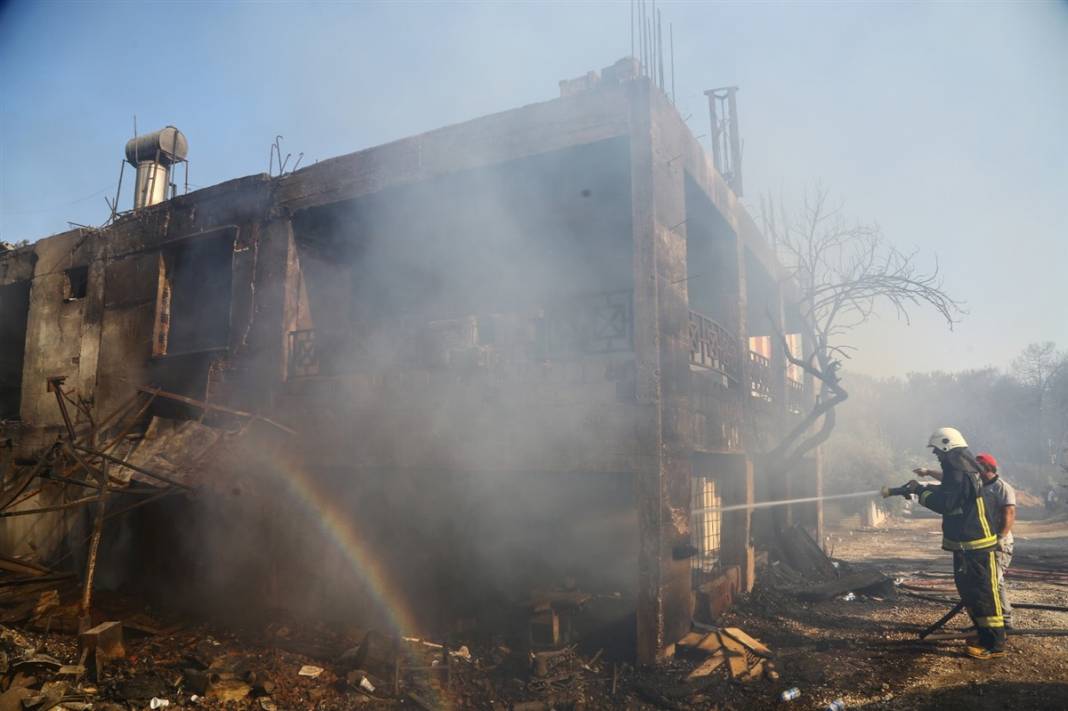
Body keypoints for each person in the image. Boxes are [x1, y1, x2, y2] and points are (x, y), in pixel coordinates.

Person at [906, 427, 1005, 659]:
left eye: (938, 451)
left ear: (947, 445)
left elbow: (946, 503)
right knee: (970, 591)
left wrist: (919, 491)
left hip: (976, 544)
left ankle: (994, 644)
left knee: (983, 594)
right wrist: (923, 489)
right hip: (966, 544)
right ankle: (983, 634)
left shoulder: (959, 470)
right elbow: (951, 493)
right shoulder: (959, 468)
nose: (937, 456)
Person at [916, 451, 1016, 627]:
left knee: (992, 583)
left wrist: (1000, 537)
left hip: (999, 542)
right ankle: (984, 620)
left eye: (976, 467)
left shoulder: (1002, 487)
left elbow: (1009, 513)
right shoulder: (975, 483)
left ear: (987, 468)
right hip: (984, 541)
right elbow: (949, 479)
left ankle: (1003, 621)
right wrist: (928, 472)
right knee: (981, 583)